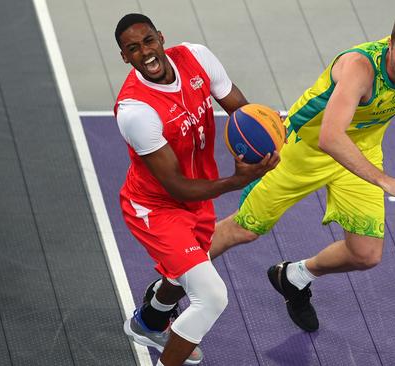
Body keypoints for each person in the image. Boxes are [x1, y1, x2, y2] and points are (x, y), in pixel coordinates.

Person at [210, 11, 395, 332]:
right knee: (244, 230)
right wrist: (387, 182)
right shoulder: (360, 68)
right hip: (303, 150)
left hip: (360, 151)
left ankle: (293, 277)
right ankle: (168, 287)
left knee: (365, 254)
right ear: (390, 45)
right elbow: (330, 137)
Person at [113, 13, 278, 366]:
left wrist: (268, 139)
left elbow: (240, 109)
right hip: (156, 208)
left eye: (148, 41)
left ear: (161, 37)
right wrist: (237, 180)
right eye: (133, 49)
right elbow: (176, 186)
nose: (146, 52)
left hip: (197, 197)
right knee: (211, 295)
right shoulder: (136, 110)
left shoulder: (196, 57)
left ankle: (150, 321)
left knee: (182, 271)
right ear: (125, 57)